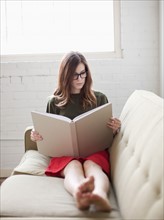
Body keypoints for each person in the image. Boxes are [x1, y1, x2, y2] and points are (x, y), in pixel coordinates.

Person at [31, 51, 121, 212]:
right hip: (65, 153)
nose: (80, 79)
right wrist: (37, 135)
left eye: (82, 73)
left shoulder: (99, 98)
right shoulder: (54, 102)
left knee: (92, 166)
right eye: (74, 75)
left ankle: (100, 194)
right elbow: (48, 131)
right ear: (65, 76)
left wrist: (115, 129)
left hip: (93, 149)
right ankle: (79, 192)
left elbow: (108, 133)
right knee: (72, 167)